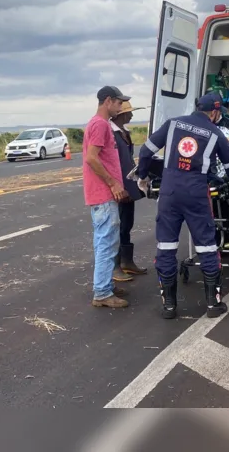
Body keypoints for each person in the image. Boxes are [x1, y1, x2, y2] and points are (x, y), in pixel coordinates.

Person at [136, 93, 229, 320]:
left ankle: (169, 307)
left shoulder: (173, 124)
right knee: (206, 246)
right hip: (196, 194)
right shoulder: (216, 133)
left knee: (166, 247)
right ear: (214, 112)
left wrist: (142, 177)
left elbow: (145, 151)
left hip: (169, 193)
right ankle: (213, 304)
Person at [82, 86, 132, 309]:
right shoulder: (100, 124)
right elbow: (92, 158)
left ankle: (104, 285)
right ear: (108, 101)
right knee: (107, 243)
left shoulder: (99, 124)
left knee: (105, 242)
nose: (121, 107)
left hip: (102, 193)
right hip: (103, 193)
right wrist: (112, 183)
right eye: (119, 103)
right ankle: (102, 293)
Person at [110, 102, 149, 278]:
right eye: (129, 113)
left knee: (127, 223)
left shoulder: (122, 132)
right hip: (120, 186)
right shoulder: (111, 133)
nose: (131, 116)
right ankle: (115, 266)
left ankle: (127, 261)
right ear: (120, 115)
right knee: (118, 226)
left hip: (128, 183)